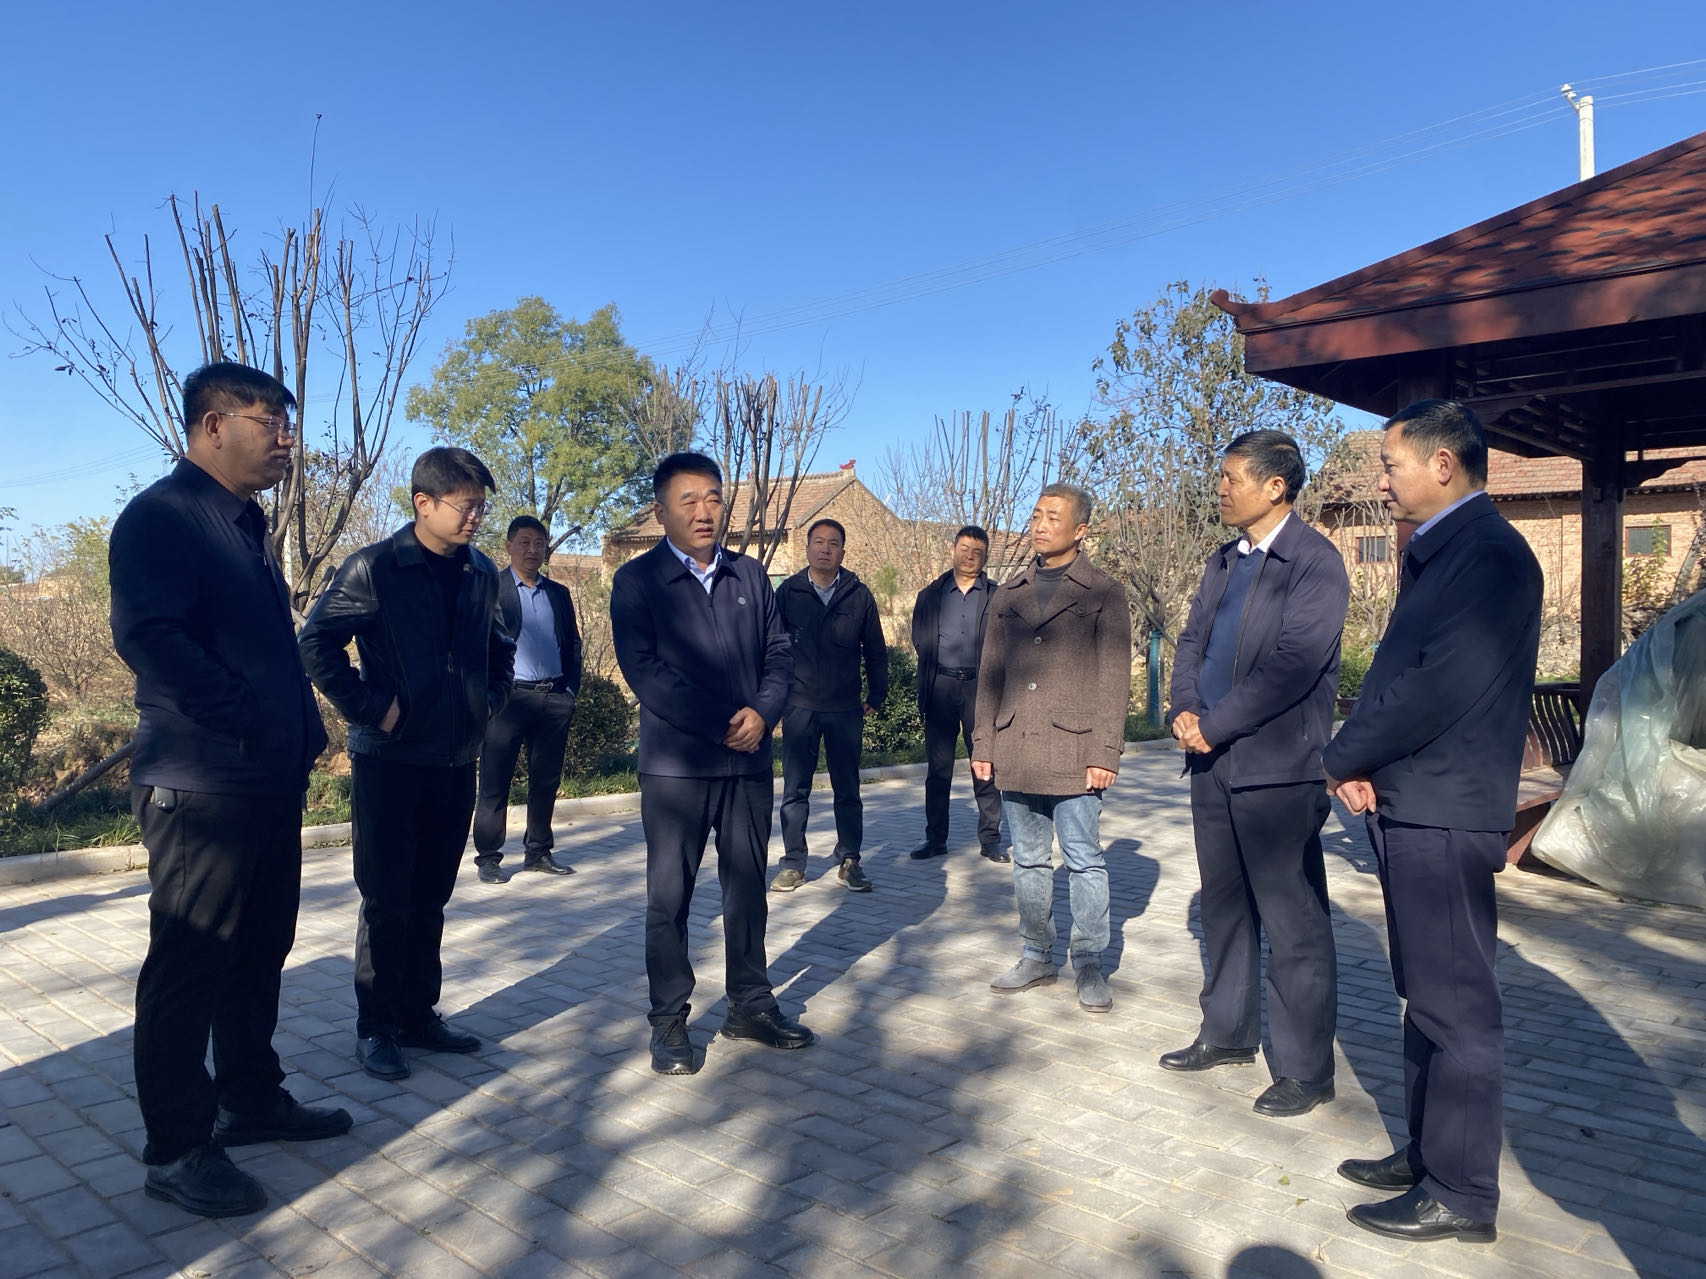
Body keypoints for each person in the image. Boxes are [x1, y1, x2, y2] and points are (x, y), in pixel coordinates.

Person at [110, 361, 349, 1218]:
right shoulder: (163, 517)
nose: (287, 439)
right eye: (269, 421)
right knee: (191, 962)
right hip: (201, 783)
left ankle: (250, 1096)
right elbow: (151, 636)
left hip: (263, 778)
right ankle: (178, 1148)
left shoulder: (244, 523)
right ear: (213, 425)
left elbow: (261, 645)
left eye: (288, 424)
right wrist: (246, 716)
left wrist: (298, 731)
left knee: (258, 948)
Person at [1323, 399, 1542, 1244]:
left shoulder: (1490, 556)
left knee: (1457, 1006)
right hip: (1416, 803)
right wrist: (1368, 765)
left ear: (1443, 464)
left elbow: (1435, 687)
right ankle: (1429, 1154)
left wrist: (1342, 754)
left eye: (1391, 465)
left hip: (1445, 812)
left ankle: (1461, 1190)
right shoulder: (1446, 552)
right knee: (1426, 996)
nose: (1381, 482)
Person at [299, 447, 514, 1082]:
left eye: (481, 507)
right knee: (387, 897)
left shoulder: (480, 571)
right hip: (389, 759)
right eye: (465, 505)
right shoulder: (375, 567)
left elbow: (500, 648)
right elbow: (316, 643)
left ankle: (419, 1014)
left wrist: (487, 703)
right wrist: (372, 708)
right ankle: (377, 1026)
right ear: (423, 503)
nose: (475, 517)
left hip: (455, 757)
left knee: (432, 895)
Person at [1161, 430, 1350, 1118]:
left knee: (1292, 920)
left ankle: (1305, 1069)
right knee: (1224, 904)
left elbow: (1293, 666)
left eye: (1232, 477)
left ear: (1276, 486)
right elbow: (1190, 641)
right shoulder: (1223, 560)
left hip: (1277, 769)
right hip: (1210, 762)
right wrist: (1184, 709)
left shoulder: (1315, 562)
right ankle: (1227, 1032)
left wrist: (1215, 722)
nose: (1220, 488)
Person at [610, 452, 814, 1075]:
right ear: (661, 511)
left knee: (747, 889)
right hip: (677, 769)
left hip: (747, 765)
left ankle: (750, 1005)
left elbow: (780, 653)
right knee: (669, 898)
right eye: (689, 500)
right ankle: (669, 1020)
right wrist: (723, 721)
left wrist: (764, 713)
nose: (704, 512)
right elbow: (645, 672)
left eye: (713, 499)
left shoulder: (749, 575)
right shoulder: (638, 581)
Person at [973, 484, 1131, 1012]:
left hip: (1076, 750)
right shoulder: (1008, 593)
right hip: (1017, 743)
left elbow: (1114, 679)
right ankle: (1037, 954)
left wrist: (1105, 752)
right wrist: (983, 741)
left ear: (1079, 530)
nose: (1040, 525)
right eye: (1036, 515)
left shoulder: (1103, 592)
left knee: (1084, 859)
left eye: (1053, 517)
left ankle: (1089, 961)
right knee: (1028, 861)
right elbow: (990, 673)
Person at [772, 518, 889, 893]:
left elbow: (875, 649)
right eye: (819, 542)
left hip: (844, 707)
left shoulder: (859, 595)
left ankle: (850, 860)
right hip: (799, 704)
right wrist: (773, 697)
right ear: (807, 548)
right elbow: (770, 648)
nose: (825, 548)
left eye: (833, 543)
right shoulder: (788, 593)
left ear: (842, 551)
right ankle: (793, 862)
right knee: (795, 789)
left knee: (847, 788)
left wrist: (877, 694)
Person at [471, 515, 584, 884]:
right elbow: (476, 645)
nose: (532, 549)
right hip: (508, 700)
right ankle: (489, 857)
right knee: (495, 780)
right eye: (524, 542)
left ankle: (538, 851)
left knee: (545, 780)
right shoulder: (493, 590)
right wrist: (488, 695)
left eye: (539, 543)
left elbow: (572, 644)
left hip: (553, 698)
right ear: (509, 546)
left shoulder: (558, 594)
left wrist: (570, 691)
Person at [909, 525, 1005, 861]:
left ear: (985, 557)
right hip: (941, 687)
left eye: (977, 552)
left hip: (981, 688)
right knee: (938, 770)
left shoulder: (996, 596)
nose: (969, 556)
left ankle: (990, 840)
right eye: (964, 549)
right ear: (953, 550)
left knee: (985, 766)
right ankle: (935, 839)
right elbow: (920, 638)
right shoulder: (930, 595)